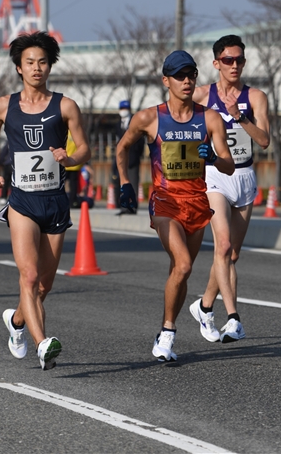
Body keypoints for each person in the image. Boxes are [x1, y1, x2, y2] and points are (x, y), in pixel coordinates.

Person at [116, 50, 234, 361]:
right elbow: (121, 147)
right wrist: (124, 182)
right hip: (165, 202)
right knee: (183, 265)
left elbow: (230, 166)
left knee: (179, 273)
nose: (186, 80)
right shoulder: (149, 117)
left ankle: (165, 330)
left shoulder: (209, 118)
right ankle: (167, 334)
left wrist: (213, 158)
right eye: (180, 75)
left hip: (197, 203)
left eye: (191, 74)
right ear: (165, 80)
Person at [0, 31, 91, 371]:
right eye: (29, 62)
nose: (36, 68)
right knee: (28, 277)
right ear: (18, 67)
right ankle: (43, 343)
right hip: (22, 201)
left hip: (55, 201)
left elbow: (85, 148)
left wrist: (69, 158)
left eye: (42, 62)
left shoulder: (65, 105)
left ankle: (16, 322)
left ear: (50, 66)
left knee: (44, 284)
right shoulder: (3, 105)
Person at [177, 36, 271, 344]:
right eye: (228, 60)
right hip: (214, 176)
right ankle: (233, 318)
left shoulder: (255, 97)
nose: (234, 65)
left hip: (244, 176)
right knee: (223, 245)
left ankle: (204, 305)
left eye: (239, 60)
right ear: (216, 63)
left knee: (233, 254)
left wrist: (240, 116)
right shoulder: (202, 96)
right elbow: (181, 128)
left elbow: (264, 140)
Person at [112, 99, 144, 214]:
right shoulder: (118, 124)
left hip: (133, 157)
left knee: (133, 182)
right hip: (121, 158)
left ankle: (133, 206)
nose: (123, 111)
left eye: (125, 109)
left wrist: (137, 155)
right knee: (123, 182)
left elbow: (140, 142)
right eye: (122, 109)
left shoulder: (135, 122)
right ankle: (124, 206)